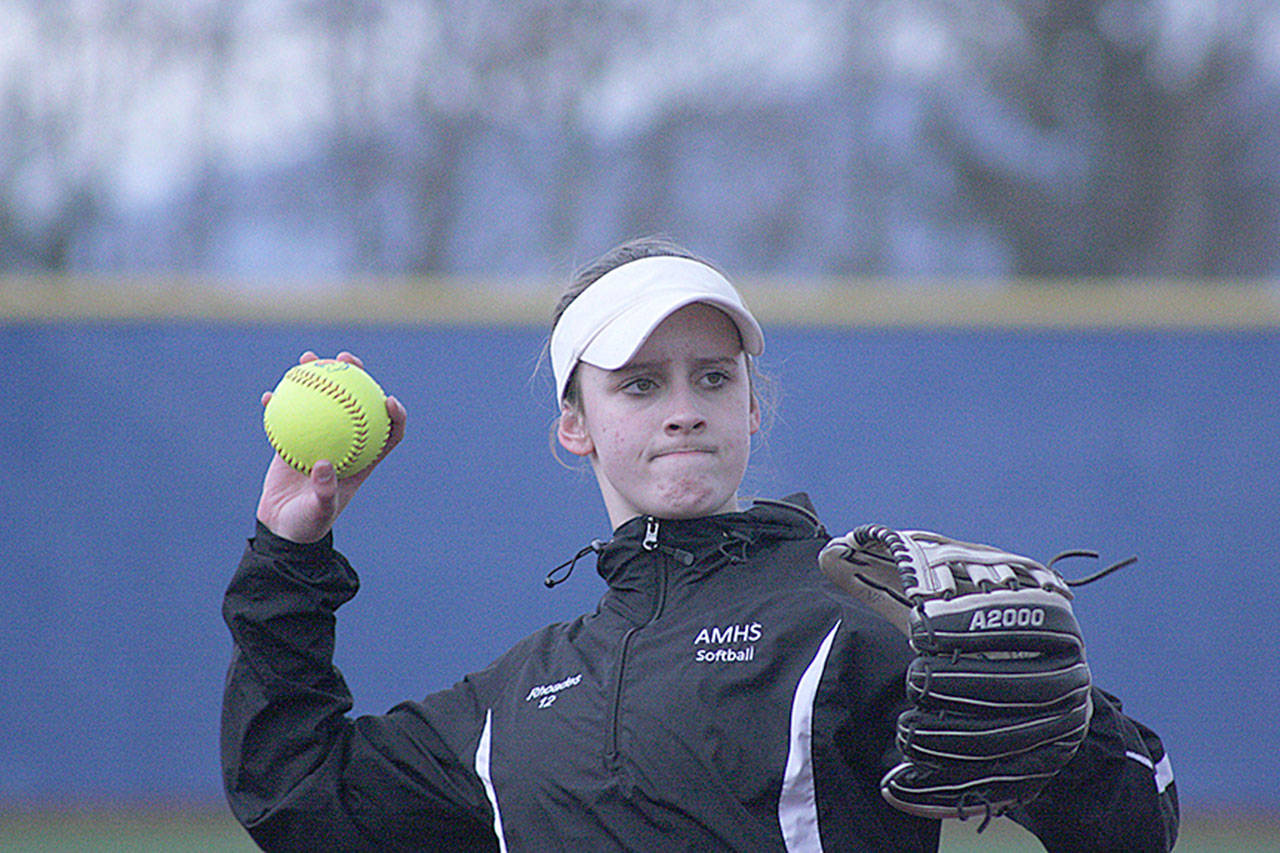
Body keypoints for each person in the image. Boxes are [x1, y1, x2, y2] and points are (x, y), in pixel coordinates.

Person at [222, 237, 1179, 852]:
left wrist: (1077, 731)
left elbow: (1136, 823)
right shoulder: (517, 705)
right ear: (576, 425)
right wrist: (287, 552)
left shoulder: (853, 622)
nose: (684, 411)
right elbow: (297, 795)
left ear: (751, 406)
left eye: (712, 377)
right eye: (640, 384)